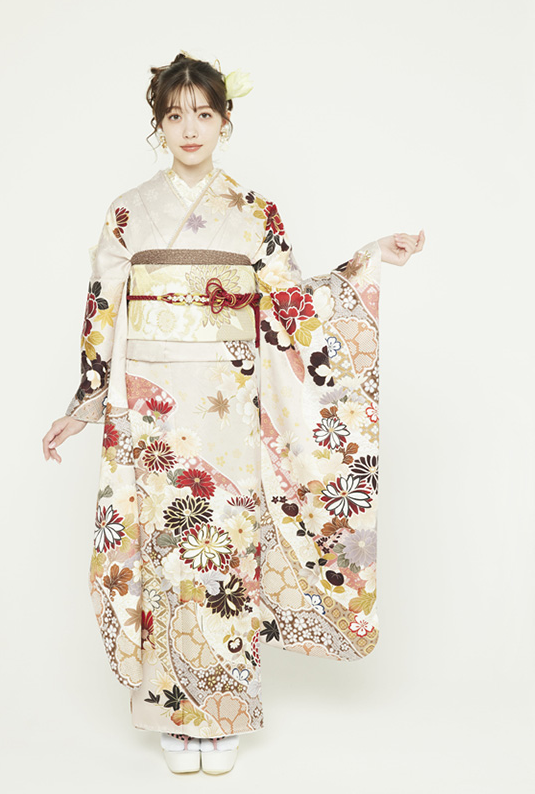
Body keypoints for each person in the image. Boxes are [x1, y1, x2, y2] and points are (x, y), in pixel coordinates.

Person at [42, 51, 425, 775]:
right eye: (175, 115)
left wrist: (370, 257)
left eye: (203, 113)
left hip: (228, 413)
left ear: (224, 121)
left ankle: (224, 712)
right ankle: (170, 711)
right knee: (166, 553)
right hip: (151, 413)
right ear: (159, 125)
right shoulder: (128, 211)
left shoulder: (255, 213)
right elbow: (102, 309)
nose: (190, 128)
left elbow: (293, 307)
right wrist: (85, 403)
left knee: (223, 552)